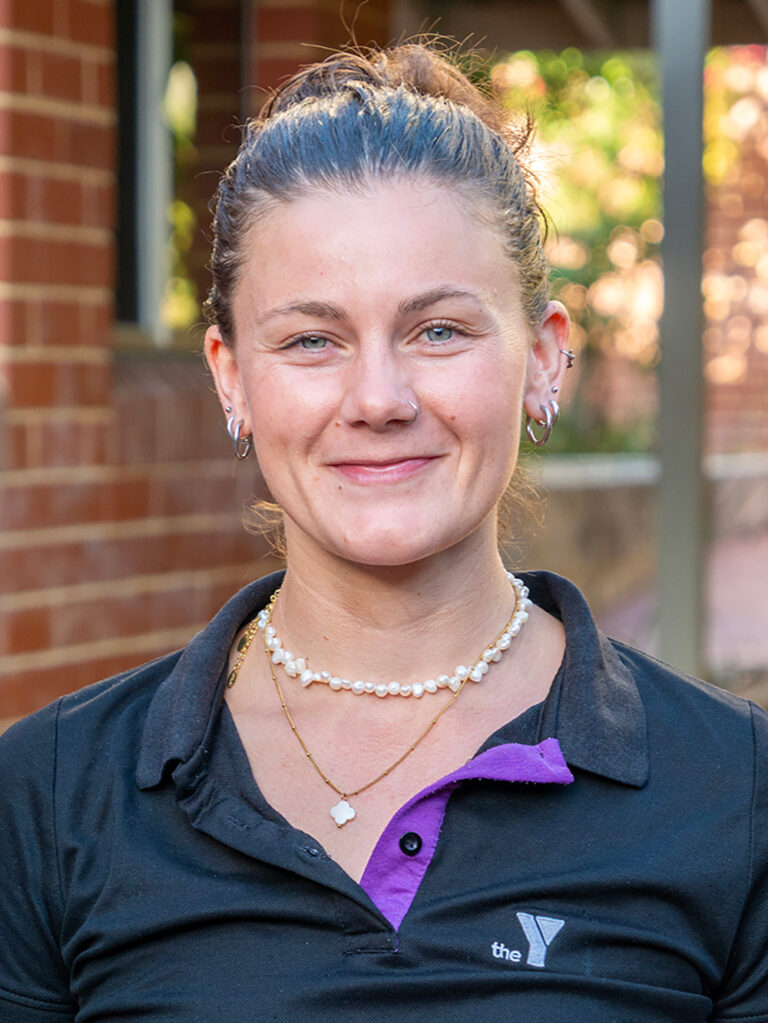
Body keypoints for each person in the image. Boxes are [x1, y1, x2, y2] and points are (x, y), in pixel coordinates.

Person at [1, 42, 767, 1023]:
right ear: (232, 377)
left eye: (438, 330)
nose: (378, 398)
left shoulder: (734, 790)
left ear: (542, 360)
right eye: (312, 340)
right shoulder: (51, 792)